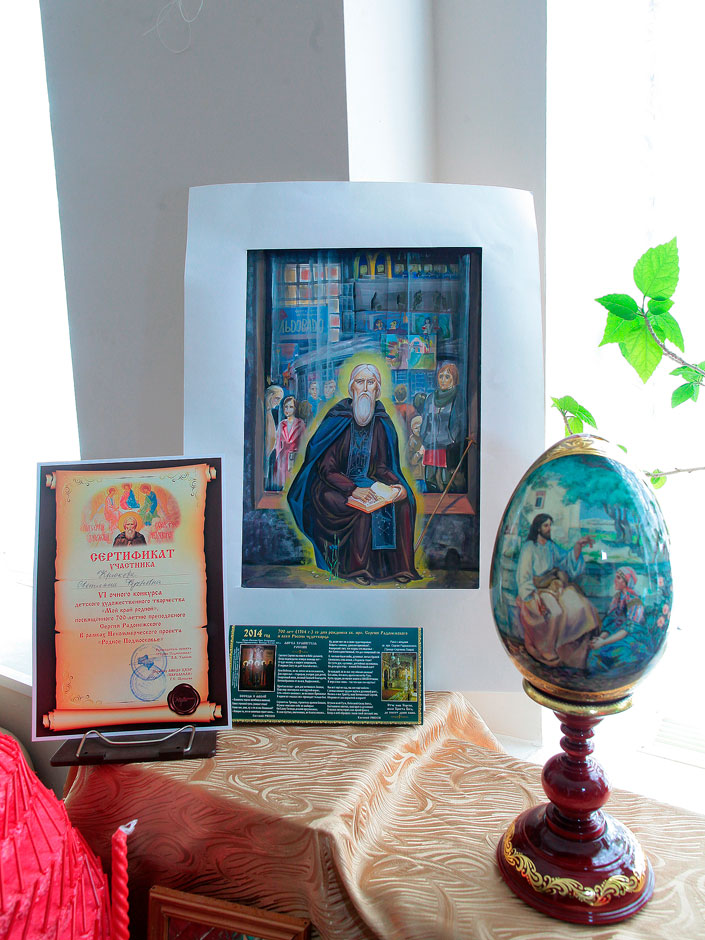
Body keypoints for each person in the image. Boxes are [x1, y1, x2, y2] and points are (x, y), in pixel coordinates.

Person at [288, 363, 420, 585]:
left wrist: (397, 487)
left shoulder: (382, 422)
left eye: (371, 383)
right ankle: (358, 569)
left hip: (369, 483)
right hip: (332, 485)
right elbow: (326, 468)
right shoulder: (338, 418)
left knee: (403, 503)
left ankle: (396, 568)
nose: (365, 388)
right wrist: (352, 490)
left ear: (377, 390)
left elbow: (382, 467)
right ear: (351, 389)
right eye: (360, 382)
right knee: (360, 511)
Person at [516, 513, 597, 667]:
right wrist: (532, 594)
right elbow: (524, 576)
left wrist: (578, 545)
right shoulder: (529, 548)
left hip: (553, 587)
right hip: (536, 591)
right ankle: (547, 648)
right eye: (546, 525)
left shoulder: (551, 546)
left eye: (550, 525)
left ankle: (573, 646)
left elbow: (565, 560)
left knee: (580, 605)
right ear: (538, 528)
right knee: (555, 612)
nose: (549, 528)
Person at [587, 567, 649, 672]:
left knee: (620, 653)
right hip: (616, 634)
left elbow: (627, 630)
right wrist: (600, 638)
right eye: (615, 577)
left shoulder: (635, 602)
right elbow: (611, 622)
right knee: (594, 653)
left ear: (626, 582)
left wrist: (603, 642)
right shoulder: (617, 598)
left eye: (618, 578)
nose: (615, 580)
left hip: (632, 637)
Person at [419, 362, 466, 492]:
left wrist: (452, 439)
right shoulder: (431, 398)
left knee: (446, 480)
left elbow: (459, 422)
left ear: (454, 379)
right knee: (430, 478)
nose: (443, 380)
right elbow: (425, 419)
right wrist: (424, 437)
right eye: (441, 376)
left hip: (447, 445)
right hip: (431, 443)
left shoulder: (457, 398)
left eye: (447, 377)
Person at [274, 396, 306, 489]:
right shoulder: (281, 424)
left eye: (291, 407)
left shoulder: (300, 424)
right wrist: (277, 456)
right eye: (286, 407)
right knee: (283, 484)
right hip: (283, 457)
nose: (288, 410)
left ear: (295, 408)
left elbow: (304, 443)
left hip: (295, 456)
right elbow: (278, 443)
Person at [264, 384, 284, 489]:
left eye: (279, 400)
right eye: (277, 398)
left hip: (267, 455)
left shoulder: (269, 411)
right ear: (270, 395)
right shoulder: (264, 411)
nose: (278, 402)